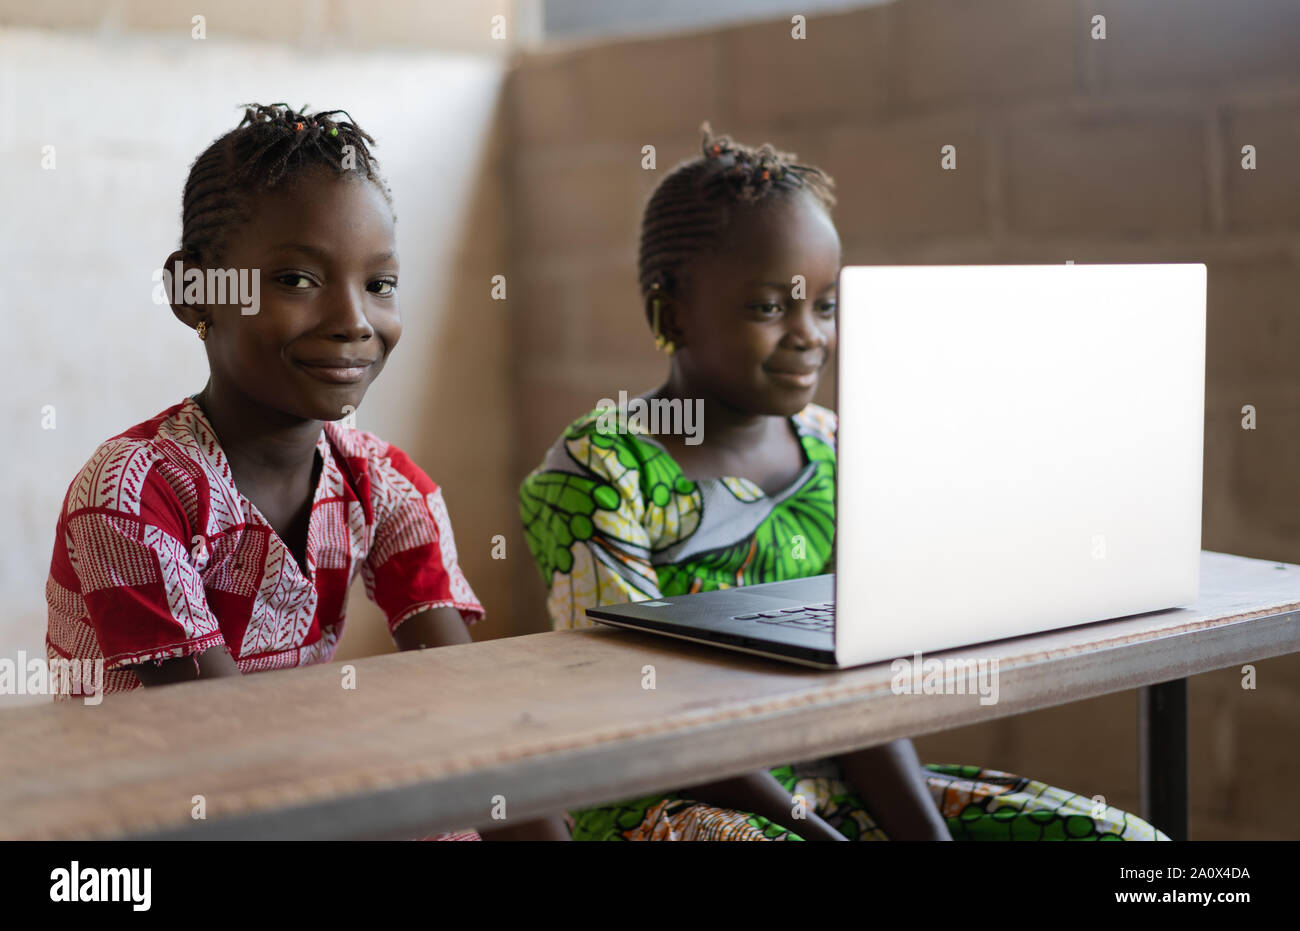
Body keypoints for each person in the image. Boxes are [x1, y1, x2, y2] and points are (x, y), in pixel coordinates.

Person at [518, 125, 1170, 841]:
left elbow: (859, 686)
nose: (811, 334)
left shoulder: (834, 448)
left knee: (1132, 845)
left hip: (832, 784)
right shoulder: (599, 468)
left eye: (825, 304)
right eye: (770, 307)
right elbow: (642, 716)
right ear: (672, 313)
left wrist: (925, 836)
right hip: (662, 800)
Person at [44, 103, 566, 841]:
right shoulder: (131, 495)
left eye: (380, 284)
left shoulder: (384, 485)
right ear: (197, 292)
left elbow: (467, 709)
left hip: (292, 791)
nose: (355, 319)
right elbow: (228, 745)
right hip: (141, 824)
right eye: (296, 278)